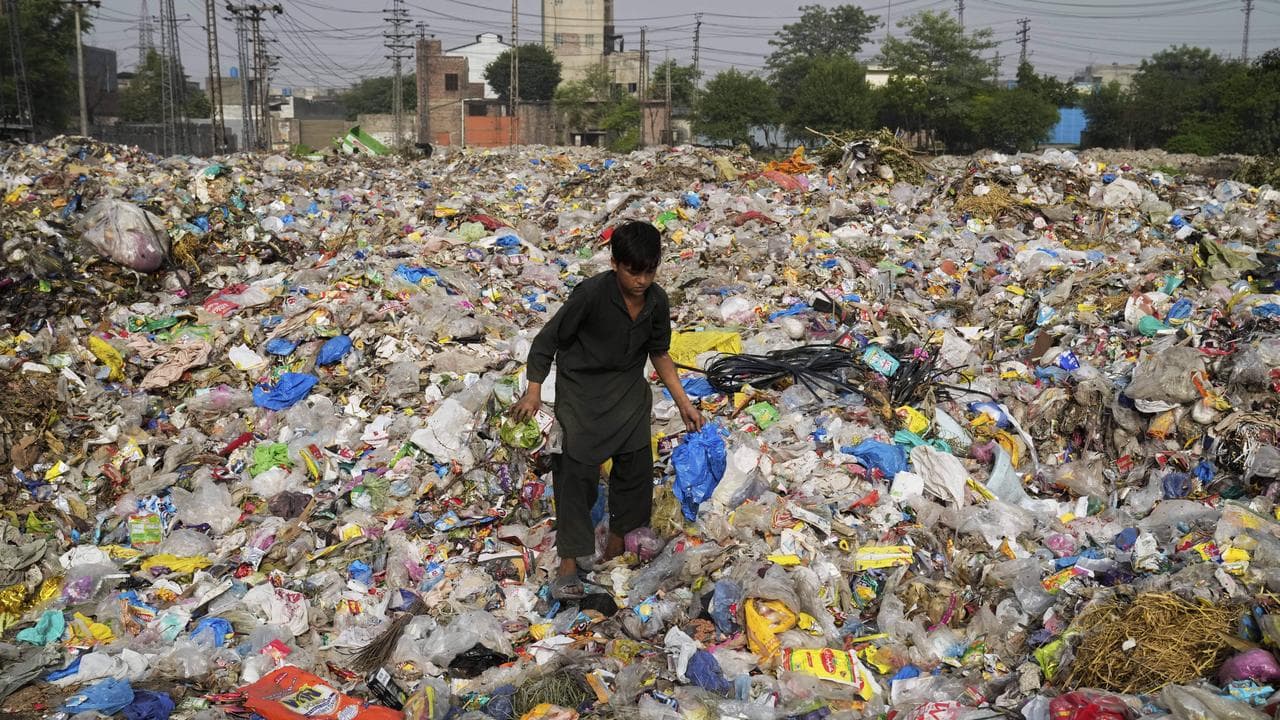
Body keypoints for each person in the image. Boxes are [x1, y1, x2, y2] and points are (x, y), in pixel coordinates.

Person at [511, 220, 704, 600]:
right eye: (633, 272)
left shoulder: (656, 301)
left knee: (635, 474)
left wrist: (684, 404)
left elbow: (659, 354)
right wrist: (533, 393)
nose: (642, 281)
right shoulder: (591, 295)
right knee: (576, 477)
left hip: (629, 397)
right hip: (582, 397)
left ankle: (615, 552)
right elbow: (546, 343)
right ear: (615, 263)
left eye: (649, 271)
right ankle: (568, 565)